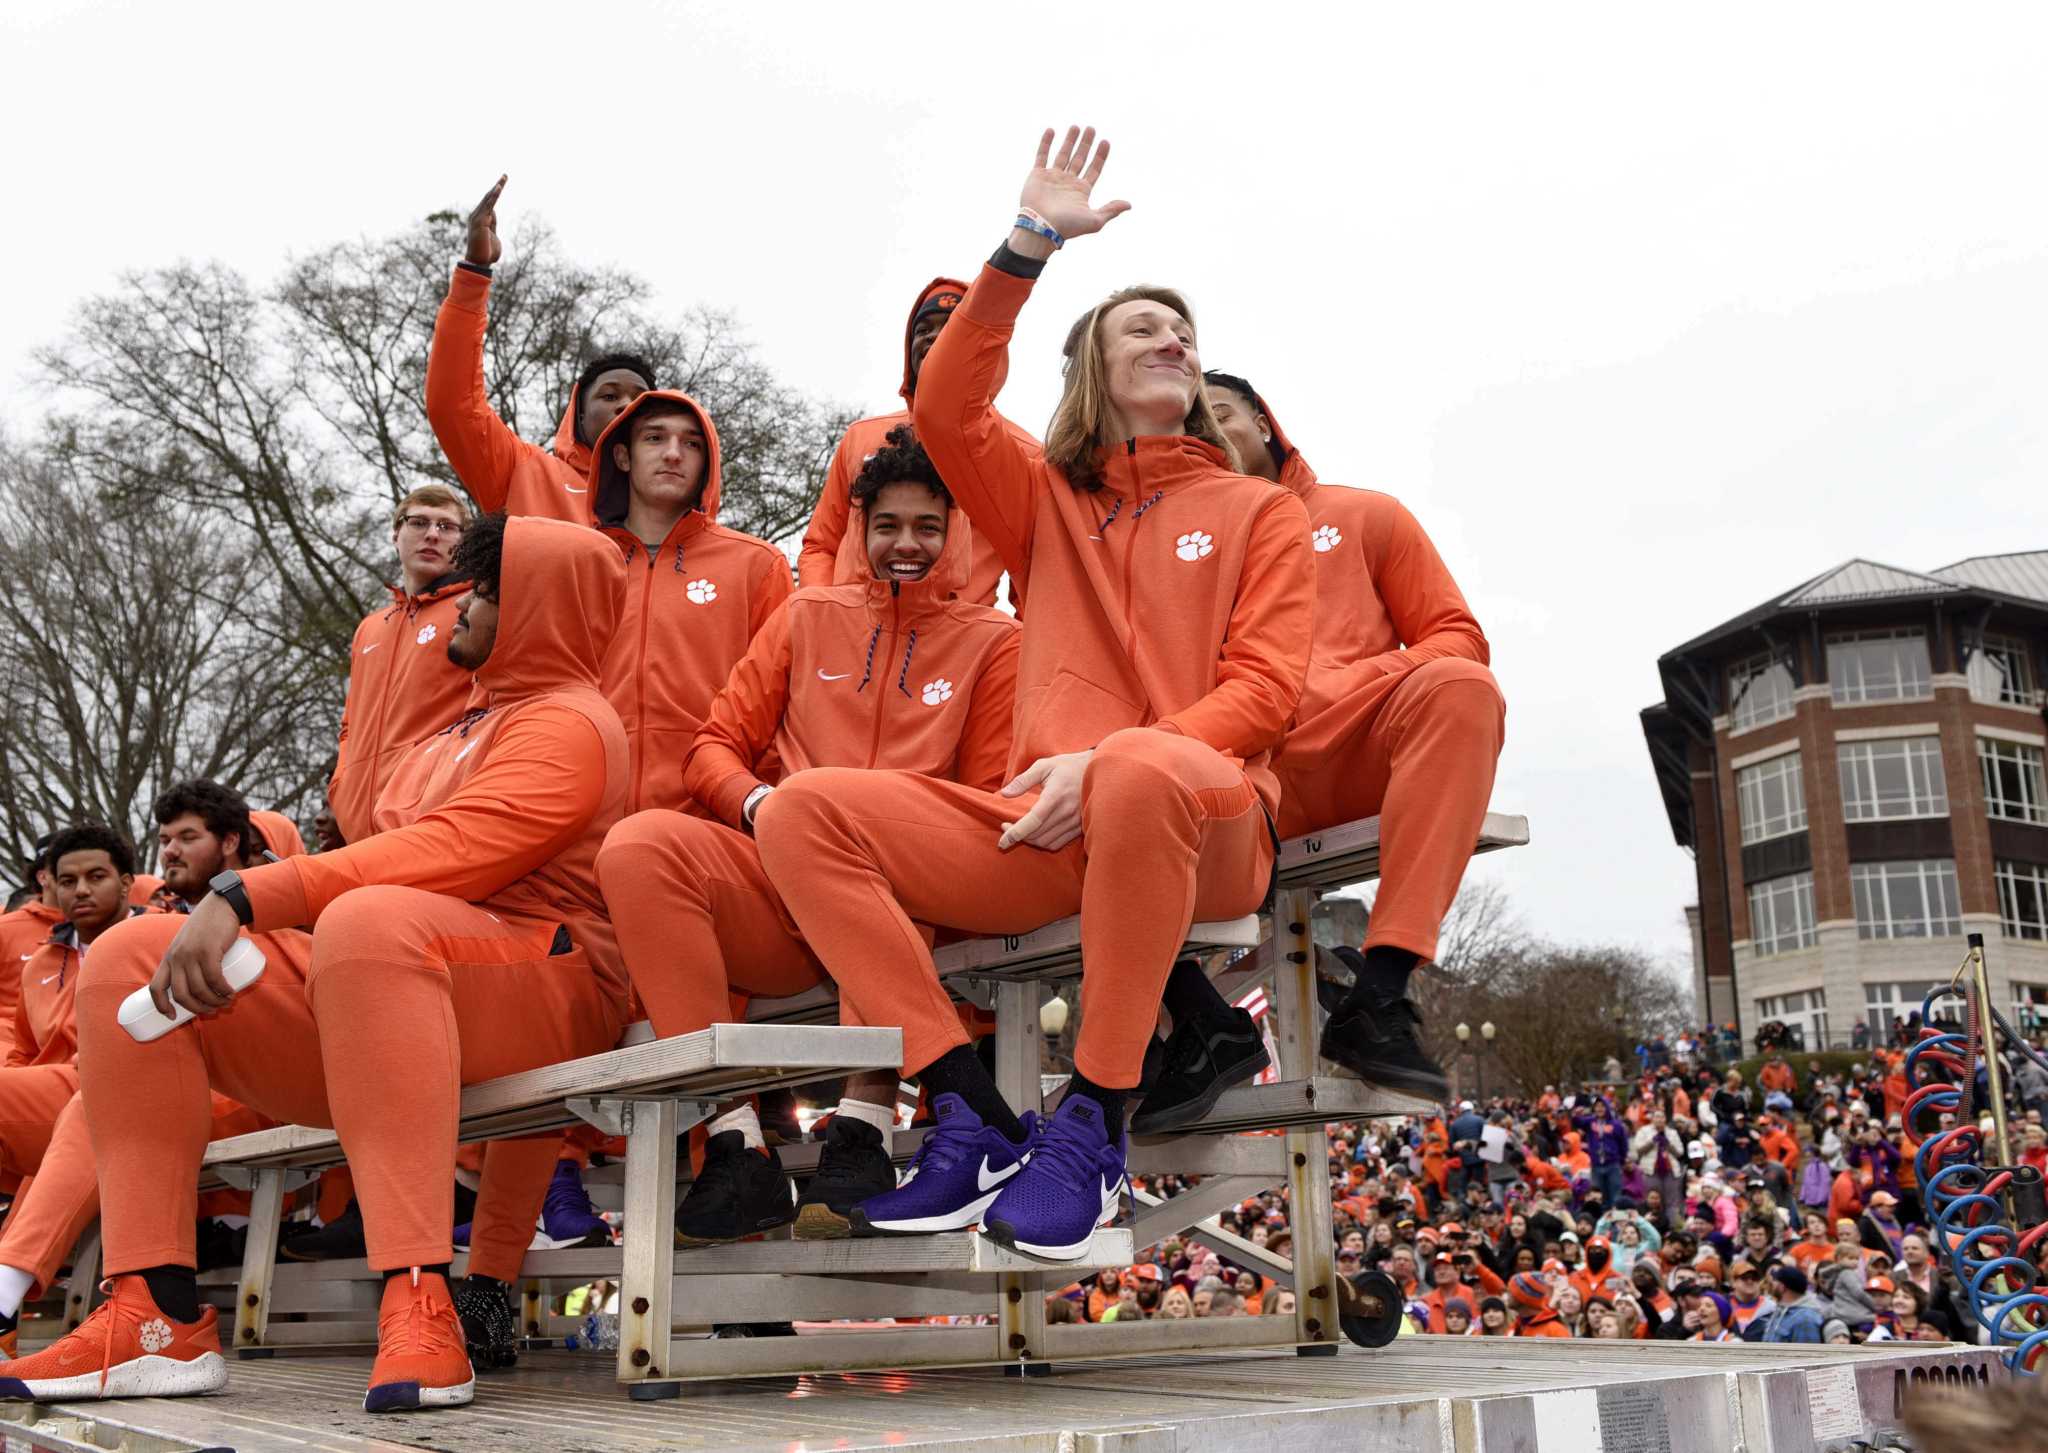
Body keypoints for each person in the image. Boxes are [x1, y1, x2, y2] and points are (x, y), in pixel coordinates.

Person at [754, 127, 1313, 1261]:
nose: (1170, 337)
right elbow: (948, 402)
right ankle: (966, 1103)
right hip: (1054, 823)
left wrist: (1110, 761)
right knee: (805, 809)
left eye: (1181, 330)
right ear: (1092, 375)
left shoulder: (1264, 514)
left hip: (1206, 818)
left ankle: (1092, 1120)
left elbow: (1263, 693)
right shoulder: (1044, 503)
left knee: (1147, 764)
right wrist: (1031, 242)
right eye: (1139, 327)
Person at [7, 515, 631, 1414]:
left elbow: (447, 856)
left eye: (486, 589)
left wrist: (243, 897)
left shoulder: (573, 722)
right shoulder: (448, 728)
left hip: (550, 981)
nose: (464, 602)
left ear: (533, 609)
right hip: (397, 987)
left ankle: (421, 1299)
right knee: (129, 952)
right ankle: (155, 1313)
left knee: (373, 922)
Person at [596, 426, 1021, 1242]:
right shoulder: (806, 614)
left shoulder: (994, 642)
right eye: (888, 525)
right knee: (639, 846)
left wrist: (863, 828)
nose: (906, 544)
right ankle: (735, 1141)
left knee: (880, 845)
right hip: (778, 888)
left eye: (927, 527)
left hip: (903, 899)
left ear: (958, 531)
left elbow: (982, 803)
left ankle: (864, 1123)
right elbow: (711, 748)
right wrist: (763, 808)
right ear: (858, 529)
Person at [1197, 371, 1503, 1103]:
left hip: (1350, 749)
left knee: (1464, 690)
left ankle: (1381, 986)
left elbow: (1458, 639)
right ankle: (1185, 1027)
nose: (1202, 430)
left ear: (1266, 424)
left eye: (1217, 413)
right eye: (1187, 424)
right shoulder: (1180, 551)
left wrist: (1334, 687)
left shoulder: (1366, 516)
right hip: (1237, 778)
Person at [0, 786, 287, 1357]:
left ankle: (5, 1300)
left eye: (186, 838)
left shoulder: (246, 912)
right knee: (95, 1103)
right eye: (164, 841)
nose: (171, 852)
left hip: (222, 1085)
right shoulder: (42, 962)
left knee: (106, 1098)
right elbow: (24, 1052)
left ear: (232, 843)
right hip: (99, 1088)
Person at [590, 389, 796, 817]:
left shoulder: (757, 564)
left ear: (708, 463)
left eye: (691, 443)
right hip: (577, 822)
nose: (672, 454)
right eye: (654, 438)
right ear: (623, 457)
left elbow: (783, 708)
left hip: (703, 823)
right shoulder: (579, 560)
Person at [426, 176, 654, 525]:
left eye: (639, 400)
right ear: (578, 416)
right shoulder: (524, 474)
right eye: (609, 396)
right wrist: (474, 273)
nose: (625, 405)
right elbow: (454, 405)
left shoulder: (684, 505)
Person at [797, 280, 1034, 608]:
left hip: (959, 649)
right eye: (923, 329)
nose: (933, 336)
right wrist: (821, 613)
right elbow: (820, 546)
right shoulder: (860, 437)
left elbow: (1034, 580)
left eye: (952, 327)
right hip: (851, 642)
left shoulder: (1026, 456)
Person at [327, 485, 476, 845]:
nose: (431, 534)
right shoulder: (370, 627)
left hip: (431, 820)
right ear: (397, 534)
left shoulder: (473, 610)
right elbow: (350, 725)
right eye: (419, 522)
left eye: (446, 527)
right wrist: (341, 786)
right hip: (357, 827)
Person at [0, 839, 63, 1062]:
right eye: (62, 868)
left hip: (75, 1047)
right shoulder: (5, 929)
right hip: (10, 1041)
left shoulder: (102, 928)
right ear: (43, 876)